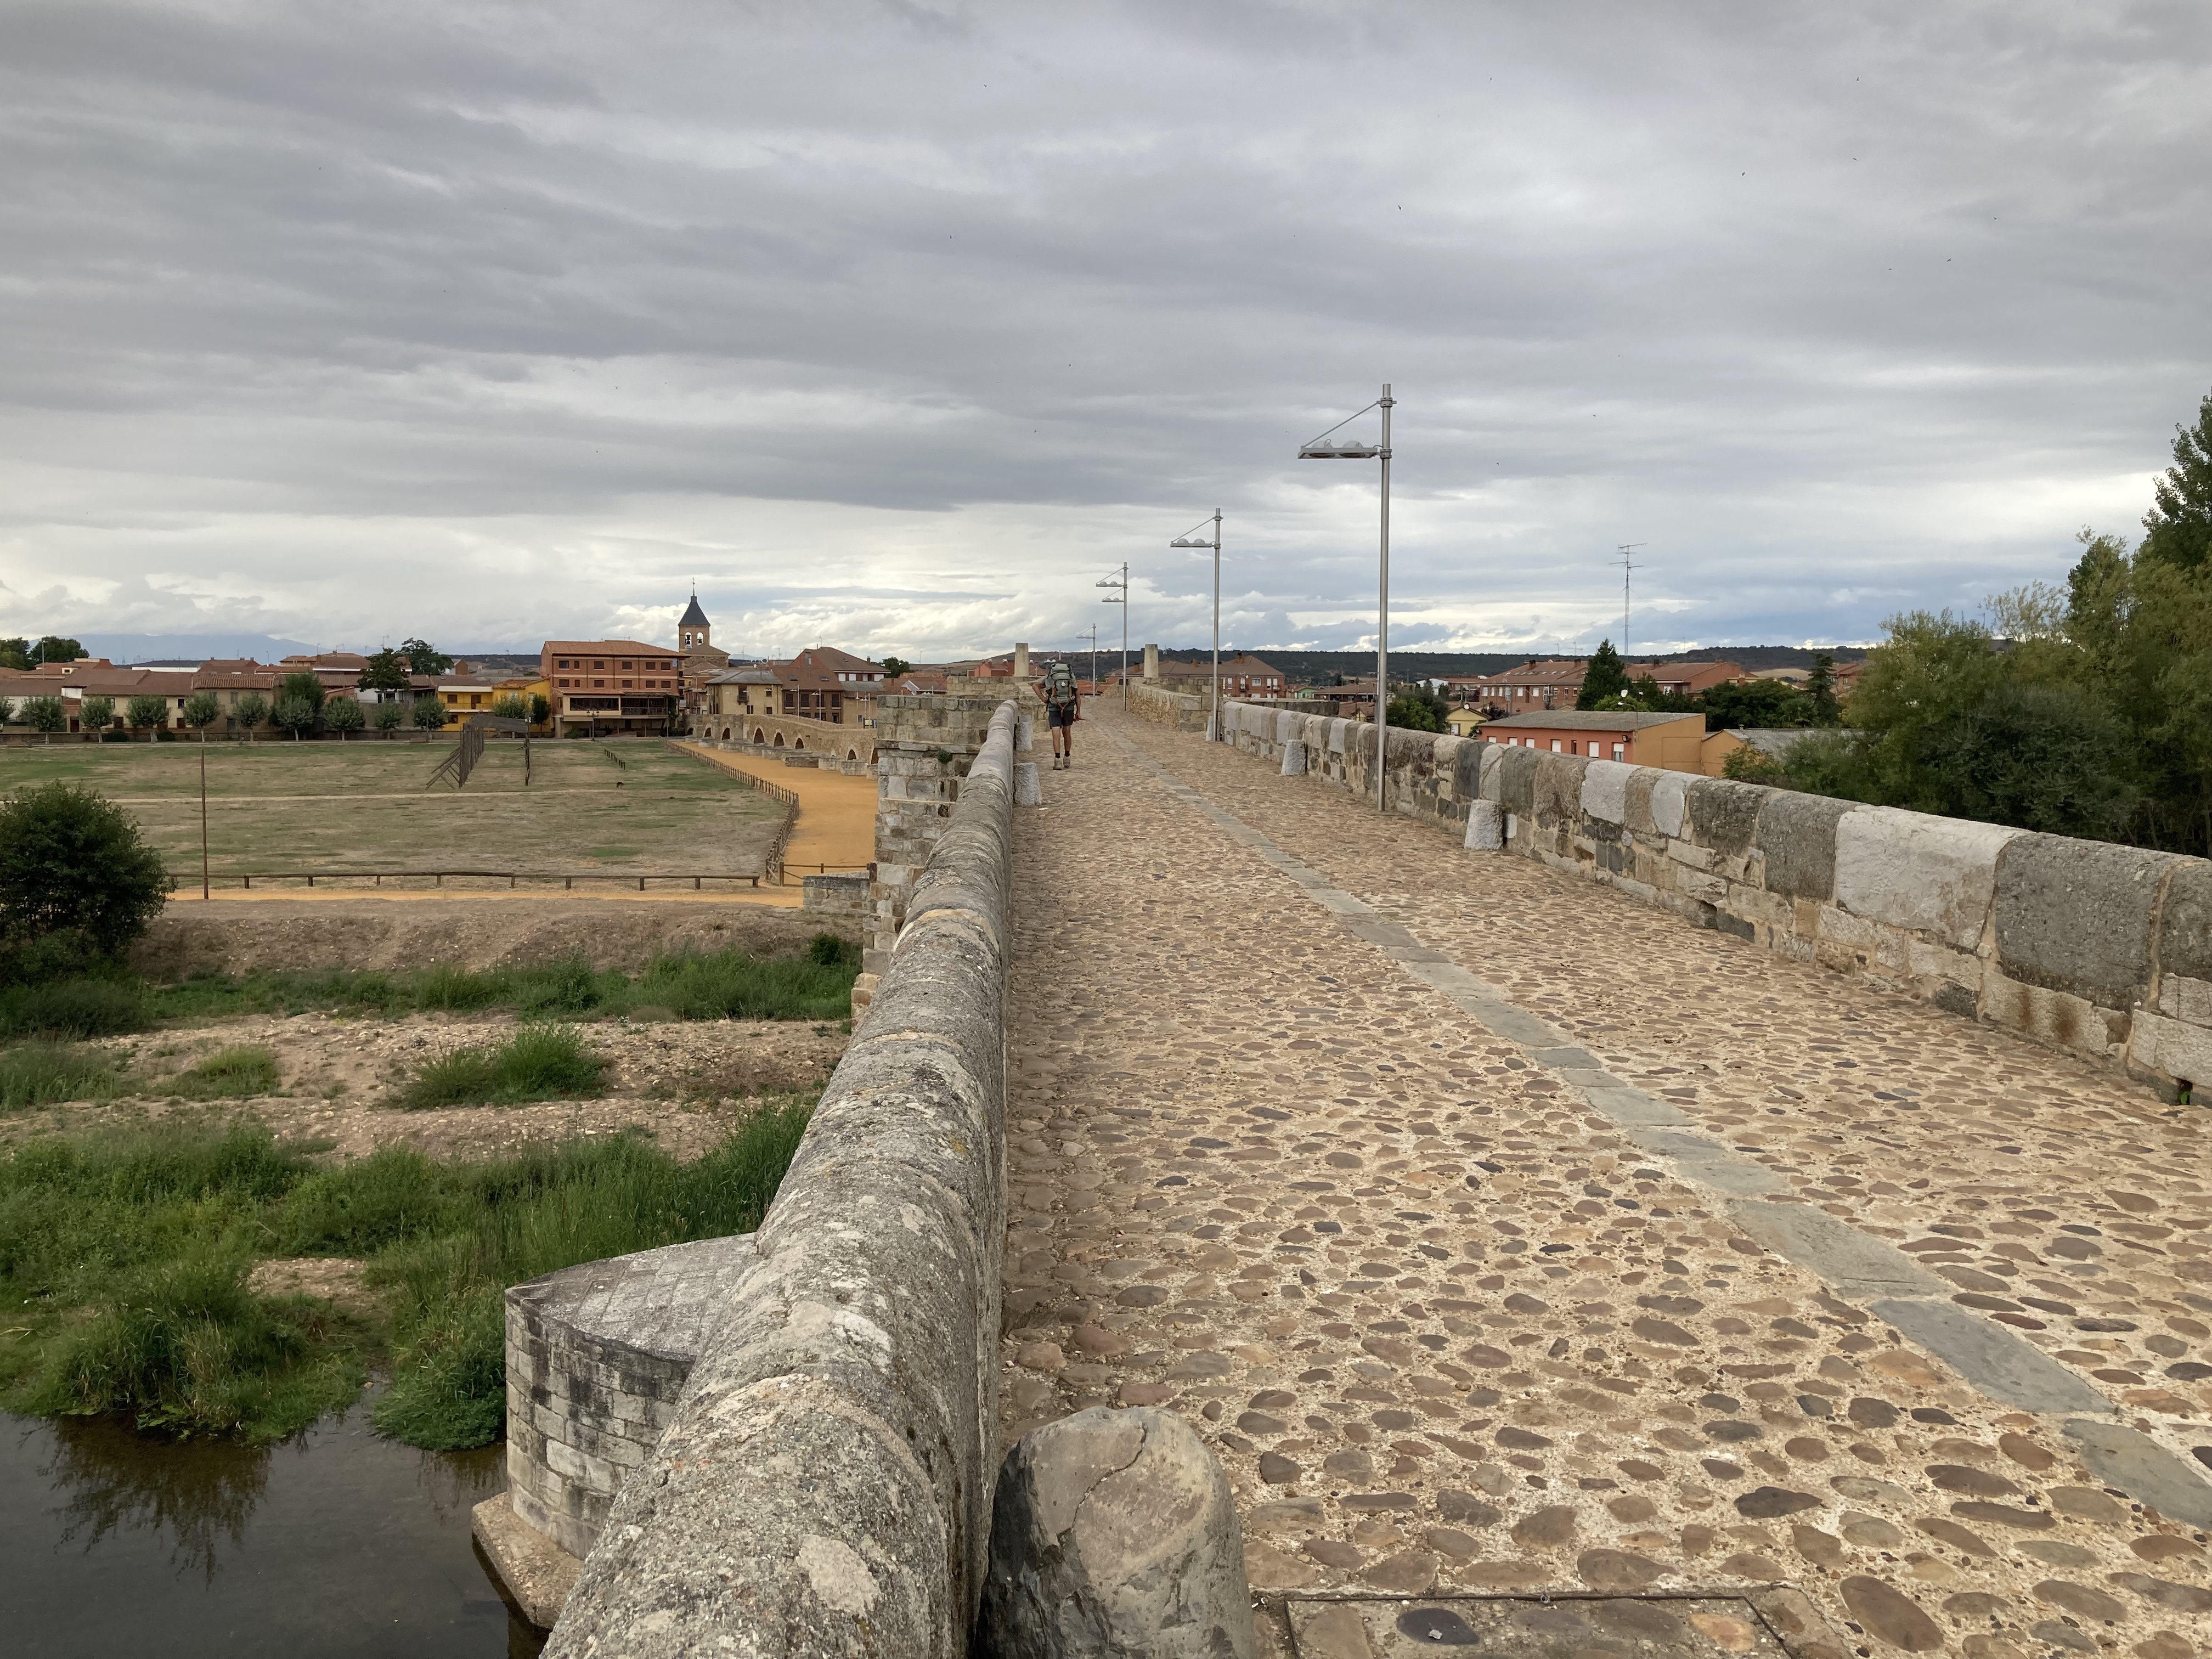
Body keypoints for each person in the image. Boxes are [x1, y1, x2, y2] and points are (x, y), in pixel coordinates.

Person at [1042, 658, 1081, 768]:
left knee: (1056, 732)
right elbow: (1077, 694)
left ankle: (1057, 760)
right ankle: (1067, 757)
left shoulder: (1050, 676)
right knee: (1067, 731)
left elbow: (1036, 686)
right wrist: (1078, 711)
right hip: (1068, 707)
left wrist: (1044, 699)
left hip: (1054, 707)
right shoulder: (1070, 676)